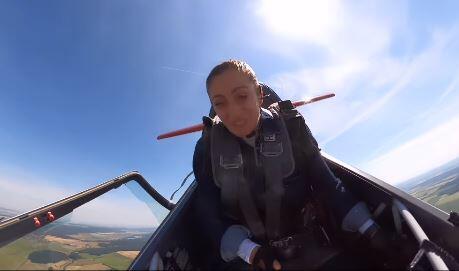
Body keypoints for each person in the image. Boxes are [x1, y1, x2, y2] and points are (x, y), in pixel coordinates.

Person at [193, 60, 385, 270]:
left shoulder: (291, 127)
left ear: (259, 94)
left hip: (308, 243)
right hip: (248, 256)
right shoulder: (208, 150)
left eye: (241, 96)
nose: (234, 112)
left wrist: (372, 229)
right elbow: (207, 213)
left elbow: (328, 183)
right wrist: (251, 252)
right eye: (220, 103)